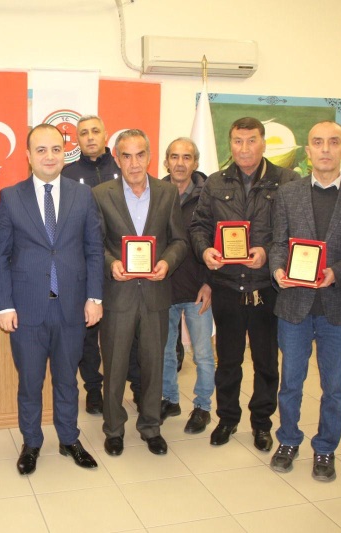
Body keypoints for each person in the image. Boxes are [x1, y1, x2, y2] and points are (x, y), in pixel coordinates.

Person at [269, 122, 341, 481]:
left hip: (340, 306)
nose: (326, 149)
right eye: (318, 142)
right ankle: (288, 440)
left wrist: (338, 272)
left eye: (334, 142)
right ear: (308, 151)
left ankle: (326, 448)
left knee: (335, 388)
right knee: (291, 382)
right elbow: (278, 242)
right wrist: (277, 270)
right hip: (294, 306)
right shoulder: (289, 193)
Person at [0, 123, 104, 475]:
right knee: (30, 382)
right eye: (41, 150)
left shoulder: (82, 195)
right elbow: (1, 255)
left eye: (56, 149)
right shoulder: (11, 196)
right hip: (27, 308)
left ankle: (69, 439)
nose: (49, 156)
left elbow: (94, 250)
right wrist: (5, 305)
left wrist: (95, 297)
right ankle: (32, 442)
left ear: (64, 153)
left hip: (72, 305)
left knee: (67, 379)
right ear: (28, 155)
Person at [190, 117, 298, 451]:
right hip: (226, 286)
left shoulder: (287, 181)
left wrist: (267, 252)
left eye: (251, 141)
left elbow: (294, 232)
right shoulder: (214, 183)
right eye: (238, 141)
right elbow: (199, 226)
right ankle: (227, 418)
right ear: (230, 144)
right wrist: (205, 250)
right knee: (228, 360)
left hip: (266, 287)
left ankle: (262, 423)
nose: (245, 148)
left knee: (266, 362)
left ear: (263, 143)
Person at [92, 129, 188, 456]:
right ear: (117, 159)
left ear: (149, 156)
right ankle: (114, 428)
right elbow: (95, 244)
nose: (134, 163)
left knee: (153, 364)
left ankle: (150, 426)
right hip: (118, 295)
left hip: (155, 293)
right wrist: (111, 264)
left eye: (140, 154)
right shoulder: (100, 194)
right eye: (126, 156)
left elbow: (179, 240)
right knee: (115, 365)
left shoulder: (167, 192)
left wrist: (167, 262)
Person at [63, 115, 141, 414]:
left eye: (95, 131)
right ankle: (94, 389)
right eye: (83, 133)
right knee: (88, 333)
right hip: (85, 267)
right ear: (77, 139)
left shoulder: (123, 167)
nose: (90, 137)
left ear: (106, 135)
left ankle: (136, 385)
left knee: (127, 332)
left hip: (124, 266)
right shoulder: (68, 174)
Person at [159, 137, 215, 433]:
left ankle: (203, 406)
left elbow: (216, 242)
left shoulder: (209, 196)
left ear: (195, 163)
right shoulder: (155, 193)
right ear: (166, 161)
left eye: (187, 157)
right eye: (174, 157)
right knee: (166, 351)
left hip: (198, 290)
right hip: (164, 288)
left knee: (203, 354)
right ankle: (170, 399)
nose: (180, 163)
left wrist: (209, 283)